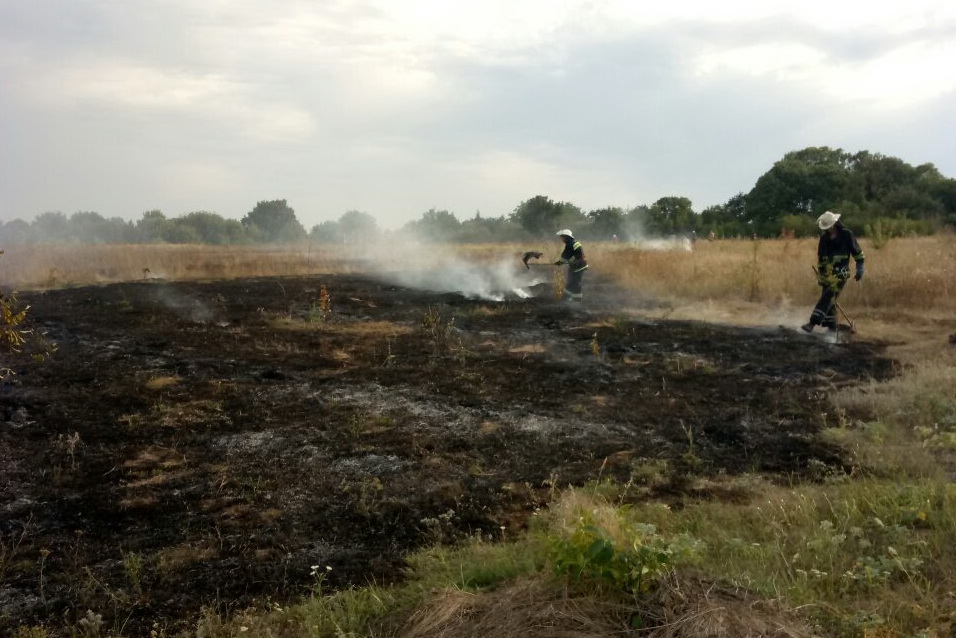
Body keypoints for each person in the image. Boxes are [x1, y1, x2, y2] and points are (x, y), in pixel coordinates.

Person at [801, 211, 864, 333]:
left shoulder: (847, 235)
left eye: (829, 226)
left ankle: (812, 323)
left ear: (834, 224)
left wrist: (860, 268)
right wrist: (821, 276)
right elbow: (822, 259)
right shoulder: (824, 239)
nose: (828, 229)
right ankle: (832, 329)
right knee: (829, 300)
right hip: (827, 274)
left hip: (841, 273)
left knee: (828, 296)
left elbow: (858, 253)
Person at [554, 229, 588, 301]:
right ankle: (577, 299)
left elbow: (565, 257)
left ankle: (565, 299)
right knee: (576, 283)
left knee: (572, 283)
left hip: (578, 266)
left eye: (562, 237)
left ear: (566, 237)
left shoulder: (569, 245)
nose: (561, 239)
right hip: (580, 265)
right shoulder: (574, 243)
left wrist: (559, 263)